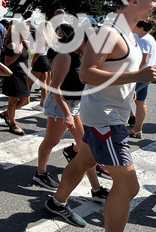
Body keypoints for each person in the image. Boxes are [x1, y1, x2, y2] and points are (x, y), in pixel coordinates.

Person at [47, 0, 156, 232]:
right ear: (134, 1)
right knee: (129, 187)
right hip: (104, 119)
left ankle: (56, 202)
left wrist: (151, 76)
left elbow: (120, 72)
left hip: (113, 115)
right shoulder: (108, 32)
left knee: (83, 160)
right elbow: (86, 73)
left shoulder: (132, 36)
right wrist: (138, 74)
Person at [33, 23, 109, 207]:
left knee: (85, 148)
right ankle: (40, 173)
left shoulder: (82, 55)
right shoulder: (65, 56)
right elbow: (55, 88)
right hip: (62, 104)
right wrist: (67, 114)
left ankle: (96, 190)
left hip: (75, 104)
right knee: (52, 141)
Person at [0, 17, 31, 136]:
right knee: (13, 101)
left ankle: (7, 113)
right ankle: (12, 123)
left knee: (26, 100)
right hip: (13, 75)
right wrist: (18, 54)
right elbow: (7, 62)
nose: (29, 33)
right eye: (27, 31)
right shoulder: (12, 44)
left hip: (22, 75)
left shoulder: (22, 43)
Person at [130, 18, 156, 139]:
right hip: (148, 74)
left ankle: (122, 125)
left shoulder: (142, 39)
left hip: (141, 74)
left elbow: (144, 59)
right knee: (141, 101)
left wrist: (135, 73)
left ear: (140, 27)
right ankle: (137, 129)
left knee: (126, 98)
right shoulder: (150, 38)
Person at [30, 19, 55, 108]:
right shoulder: (50, 37)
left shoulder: (41, 38)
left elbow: (37, 53)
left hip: (40, 60)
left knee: (29, 82)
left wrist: (33, 62)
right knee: (44, 84)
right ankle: (43, 104)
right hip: (46, 60)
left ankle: (23, 100)